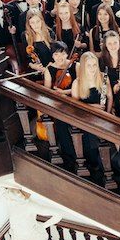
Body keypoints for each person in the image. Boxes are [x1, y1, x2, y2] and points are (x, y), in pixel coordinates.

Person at [71, 52, 112, 185]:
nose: (93, 68)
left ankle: (106, 167)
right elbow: (75, 105)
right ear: (83, 66)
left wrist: (108, 113)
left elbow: (110, 97)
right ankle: (96, 169)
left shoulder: (103, 77)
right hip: (86, 120)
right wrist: (91, 107)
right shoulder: (77, 83)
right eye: (89, 65)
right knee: (92, 144)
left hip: (103, 117)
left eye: (94, 65)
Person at [44, 41, 77, 171]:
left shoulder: (75, 65)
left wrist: (65, 92)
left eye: (62, 53)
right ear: (52, 56)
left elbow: (80, 86)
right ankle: (69, 156)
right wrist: (57, 94)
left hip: (75, 99)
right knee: (62, 125)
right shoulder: (49, 69)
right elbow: (47, 91)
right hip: (59, 103)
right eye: (56, 54)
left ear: (67, 53)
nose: (60, 57)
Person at [100, 30, 120, 95]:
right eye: (109, 43)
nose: (113, 46)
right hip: (109, 92)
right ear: (105, 45)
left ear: (119, 43)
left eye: (115, 43)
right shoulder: (102, 59)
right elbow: (102, 81)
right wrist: (116, 85)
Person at [23, 8, 55, 72]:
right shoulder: (25, 35)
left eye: (38, 21)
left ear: (42, 21)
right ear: (29, 24)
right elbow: (26, 57)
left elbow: (56, 54)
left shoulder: (50, 33)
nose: (36, 25)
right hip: (36, 70)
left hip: (51, 67)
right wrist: (33, 66)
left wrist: (49, 67)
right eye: (32, 22)